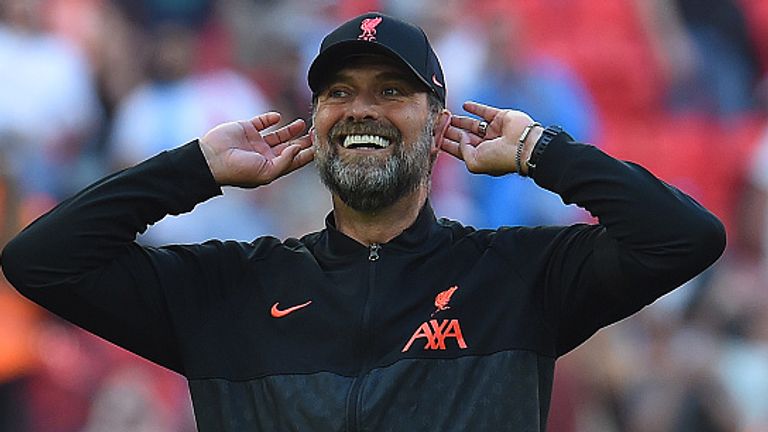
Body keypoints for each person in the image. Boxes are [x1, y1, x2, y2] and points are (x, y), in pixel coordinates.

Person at [0, 12, 726, 431]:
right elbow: (42, 260)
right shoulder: (228, 290)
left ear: (439, 122)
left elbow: (686, 237)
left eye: (392, 91)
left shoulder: (519, 277)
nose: (362, 109)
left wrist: (542, 151)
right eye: (338, 92)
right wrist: (192, 168)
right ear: (314, 122)